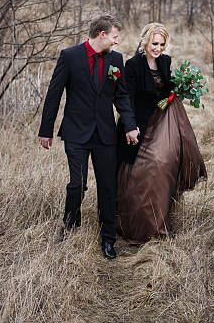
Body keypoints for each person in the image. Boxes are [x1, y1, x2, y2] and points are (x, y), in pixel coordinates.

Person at [38, 14, 140, 259]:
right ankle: (70, 228)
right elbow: (54, 94)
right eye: (114, 37)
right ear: (102, 34)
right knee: (77, 184)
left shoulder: (116, 60)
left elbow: (122, 96)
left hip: (105, 134)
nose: (117, 42)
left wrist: (129, 124)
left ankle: (108, 238)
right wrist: (46, 130)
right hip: (76, 132)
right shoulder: (70, 56)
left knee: (107, 186)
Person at [117, 22, 207, 244]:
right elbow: (127, 98)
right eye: (154, 43)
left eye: (161, 44)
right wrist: (130, 125)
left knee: (163, 165)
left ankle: (157, 223)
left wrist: (180, 88)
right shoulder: (133, 65)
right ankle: (134, 225)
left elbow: (165, 91)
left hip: (160, 122)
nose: (157, 48)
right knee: (141, 172)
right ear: (145, 41)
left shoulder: (165, 62)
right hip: (137, 125)